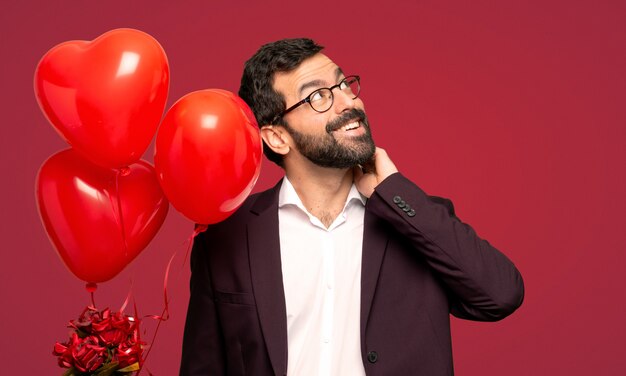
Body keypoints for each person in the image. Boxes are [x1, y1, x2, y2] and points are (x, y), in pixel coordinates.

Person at [180, 38, 524, 376]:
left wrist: (394, 192)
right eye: (318, 96)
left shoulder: (415, 217)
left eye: (344, 84)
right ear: (277, 137)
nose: (348, 102)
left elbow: (500, 295)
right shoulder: (226, 238)